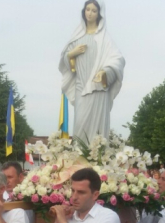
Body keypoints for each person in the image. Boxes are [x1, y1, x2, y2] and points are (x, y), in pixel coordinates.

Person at [60, 0, 125, 143]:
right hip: (81, 86)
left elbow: (118, 59)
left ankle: (97, 158)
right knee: (80, 124)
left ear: (99, 14)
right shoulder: (77, 36)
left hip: (98, 89)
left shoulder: (104, 38)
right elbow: (69, 66)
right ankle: (79, 159)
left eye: (94, 10)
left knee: (97, 130)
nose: (89, 13)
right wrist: (71, 54)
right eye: (87, 9)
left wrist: (105, 72)